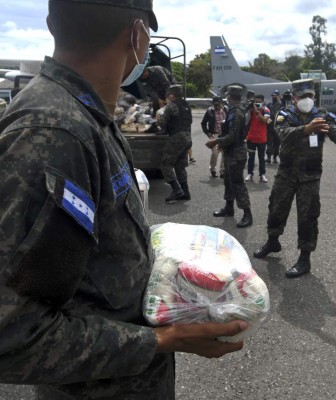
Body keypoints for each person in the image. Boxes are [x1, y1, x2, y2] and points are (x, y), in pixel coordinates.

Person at [0, 1, 247, 399]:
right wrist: (164, 341)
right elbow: (13, 335)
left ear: (50, 24)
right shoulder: (57, 133)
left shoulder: (85, 117)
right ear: (137, 36)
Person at [253, 79, 336, 278]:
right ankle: (273, 241)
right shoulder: (285, 114)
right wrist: (306, 129)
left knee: (308, 216)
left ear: (315, 97)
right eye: (302, 96)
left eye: (310, 96)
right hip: (286, 173)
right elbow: (282, 133)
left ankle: (305, 258)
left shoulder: (322, 115)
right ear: (294, 97)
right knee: (276, 208)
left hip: (310, 175)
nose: (307, 100)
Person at [206, 85, 253, 228]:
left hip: (236, 153)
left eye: (228, 96)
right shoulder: (234, 110)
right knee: (228, 181)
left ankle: (247, 214)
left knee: (238, 184)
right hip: (230, 151)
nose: (227, 98)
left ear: (231, 97)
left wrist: (216, 141)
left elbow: (233, 135)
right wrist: (222, 143)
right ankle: (229, 207)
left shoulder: (237, 112)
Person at [159, 84, 193, 203]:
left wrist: (160, 116)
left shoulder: (171, 106)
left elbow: (162, 123)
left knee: (166, 163)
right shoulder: (186, 106)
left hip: (177, 138)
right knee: (180, 166)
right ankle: (185, 192)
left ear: (172, 95)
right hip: (188, 138)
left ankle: (176, 190)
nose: (168, 97)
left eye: (168, 95)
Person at [245, 94, 271, 183]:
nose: (257, 103)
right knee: (251, 157)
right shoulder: (252, 110)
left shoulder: (266, 110)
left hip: (261, 139)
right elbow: (246, 121)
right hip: (251, 138)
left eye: (259, 102)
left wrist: (257, 112)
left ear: (262, 101)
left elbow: (265, 120)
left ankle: (262, 174)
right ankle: (250, 174)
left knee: (261, 158)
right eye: (256, 102)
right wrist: (249, 110)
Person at [201, 96, 227, 178]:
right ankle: (212, 169)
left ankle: (222, 170)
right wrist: (207, 132)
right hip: (215, 134)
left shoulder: (226, 110)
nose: (217, 107)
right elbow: (203, 123)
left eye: (218, 105)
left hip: (224, 134)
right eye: (215, 105)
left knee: (224, 153)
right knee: (215, 153)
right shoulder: (209, 111)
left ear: (221, 104)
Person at [266, 89, 283, 164]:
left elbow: (283, 115)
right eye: (273, 96)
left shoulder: (281, 106)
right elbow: (266, 115)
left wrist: (278, 122)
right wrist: (269, 122)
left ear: (278, 96)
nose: (274, 97)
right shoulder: (269, 105)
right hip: (270, 127)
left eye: (275, 95)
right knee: (269, 143)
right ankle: (268, 157)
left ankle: (275, 157)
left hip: (278, 128)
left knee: (277, 143)